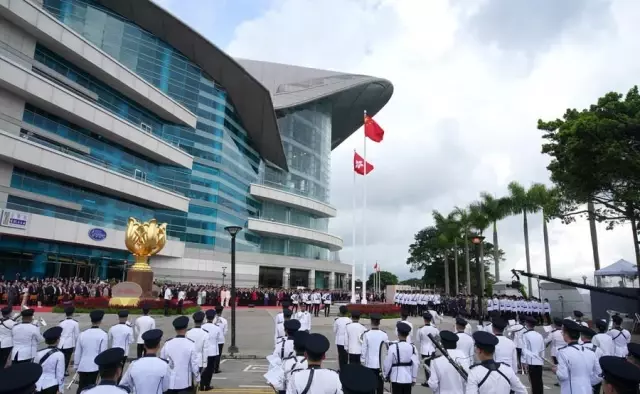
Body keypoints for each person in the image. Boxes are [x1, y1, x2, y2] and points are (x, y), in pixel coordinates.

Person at [553, 319, 599, 394]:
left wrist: (556, 370)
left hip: (571, 390)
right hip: (587, 390)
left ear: (566, 334)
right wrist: (586, 382)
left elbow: (562, 375)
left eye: (563, 332)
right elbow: (599, 374)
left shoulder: (563, 352)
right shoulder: (591, 353)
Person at [120, 329, 171, 394]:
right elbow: (166, 387)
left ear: (144, 346)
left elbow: (124, 385)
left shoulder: (134, 364)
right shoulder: (164, 364)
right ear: (158, 345)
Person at [160, 316, 200, 394]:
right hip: (185, 383)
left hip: (170, 383)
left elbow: (162, 362)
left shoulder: (167, 343)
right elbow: (194, 364)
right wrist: (198, 378)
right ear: (186, 328)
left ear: (175, 329)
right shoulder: (191, 344)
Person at [74, 310, 108, 394]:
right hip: (95, 366)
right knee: (92, 388)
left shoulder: (82, 334)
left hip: (83, 365)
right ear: (101, 320)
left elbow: (78, 352)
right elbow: (102, 353)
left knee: (81, 387)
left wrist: (76, 365)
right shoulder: (103, 334)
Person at [382, 322, 419, 394]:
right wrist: (414, 378)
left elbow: (388, 363)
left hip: (396, 378)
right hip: (408, 379)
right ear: (408, 334)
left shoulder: (393, 347)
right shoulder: (412, 347)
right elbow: (416, 364)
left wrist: (385, 375)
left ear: (398, 333)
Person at [360, 313, 388, 394]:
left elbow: (364, 349)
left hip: (369, 364)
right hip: (380, 365)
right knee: (380, 386)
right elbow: (386, 351)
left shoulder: (367, 334)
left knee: (370, 386)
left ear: (371, 321)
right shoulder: (384, 334)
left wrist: (362, 361)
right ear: (379, 323)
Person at [34, 326, 65, 394]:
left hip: (38, 385)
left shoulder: (38, 353)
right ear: (57, 340)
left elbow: (35, 370)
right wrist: (61, 389)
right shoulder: (59, 355)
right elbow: (60, 374)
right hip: (52, 385)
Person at [520, 316, 544, 394]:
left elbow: (524, 349)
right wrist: (542, 360)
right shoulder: (539, 335)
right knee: (539, 382)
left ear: (527, 324)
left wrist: (523, 361)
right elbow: (542, 349)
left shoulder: (525, 335)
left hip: (531, 362)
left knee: (533, 383)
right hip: (539, 361)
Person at [200, 310, 223, 390]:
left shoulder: (202, 327)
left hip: (203, 351)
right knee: (210, 369)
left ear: (206, 317)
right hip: (213, 351)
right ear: (213, 318)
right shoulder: (216, 328)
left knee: (202, 368)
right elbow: (220, 339)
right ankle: (207, 385)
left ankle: (201, 384)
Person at [416, 312, 439, 387]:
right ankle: (432, 380)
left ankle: (428, 381)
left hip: (424, 349)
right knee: (432, 366)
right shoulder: (435, 329)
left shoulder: (421, 329)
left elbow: (418, 340)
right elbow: (438, 340)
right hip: (432, 349)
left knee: (426, 367)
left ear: (424, 319)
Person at [580, 326, 604, 394]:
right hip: (595, 381)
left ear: (583, 337)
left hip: (580, 380)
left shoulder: (578, 348)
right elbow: (599, 368)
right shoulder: (599, 350)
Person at [58, 306, 79, 376]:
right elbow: (76, 335)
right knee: (67, 358)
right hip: (69, 343)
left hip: (61, 343)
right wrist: (77, 345)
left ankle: (62, 370)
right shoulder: (75, 323)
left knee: (62, 358)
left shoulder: (62, 323)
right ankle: (63, 371)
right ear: (72, 313)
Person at [212, 305, 228, 373]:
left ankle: (211, 367)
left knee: (212, 353)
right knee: (218, 354)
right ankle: (216, 368)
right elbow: (225, 331)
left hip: (212, 339)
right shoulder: (224, 320)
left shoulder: (212, 319)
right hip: (220, 339)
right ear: (221, 311)